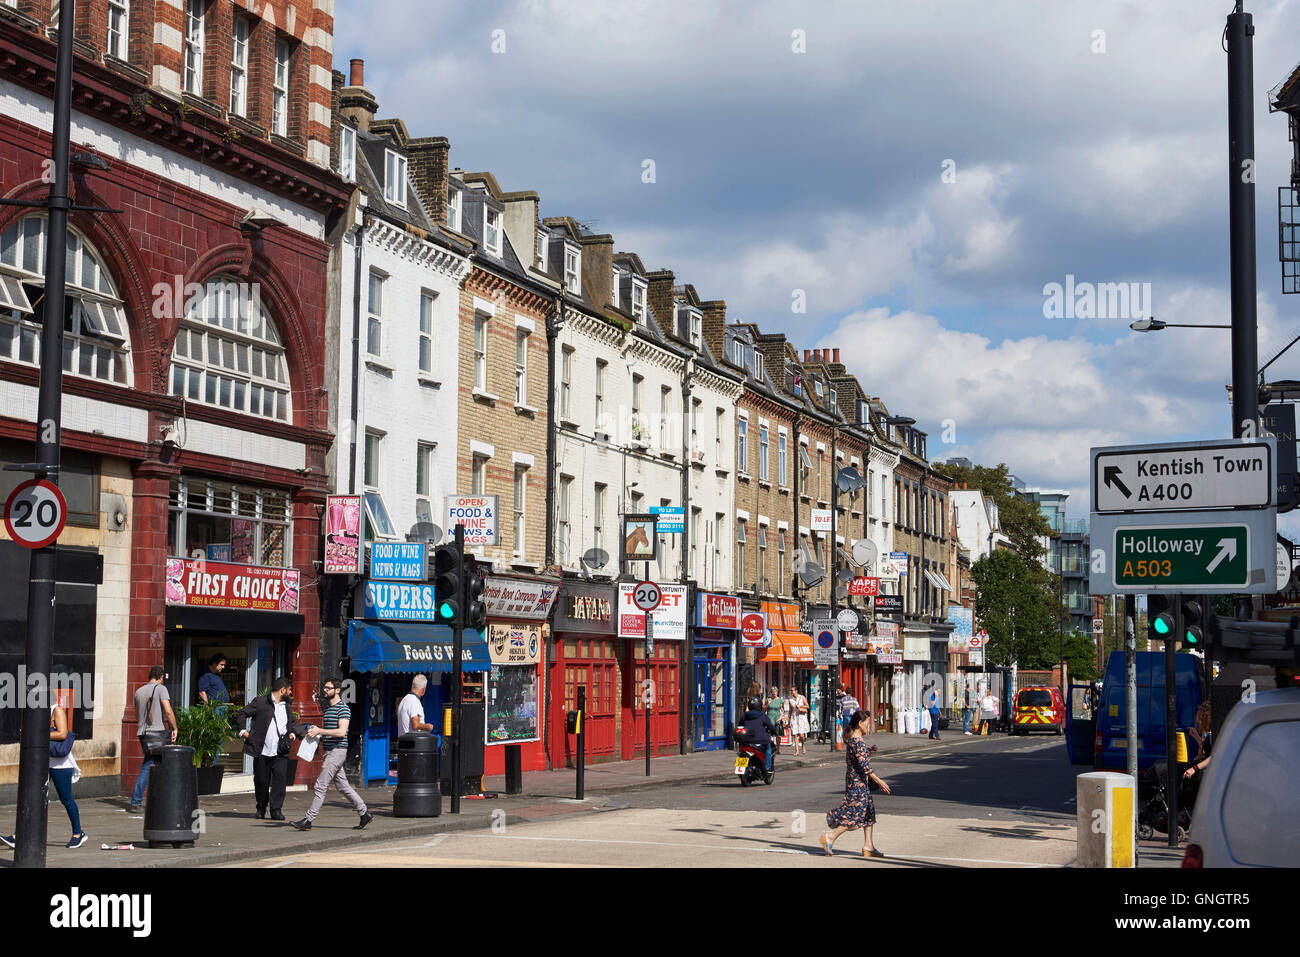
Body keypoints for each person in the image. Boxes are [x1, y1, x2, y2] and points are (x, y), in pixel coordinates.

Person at [1, 700, 87, 851]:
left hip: (60, 764)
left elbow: (62, 734)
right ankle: (19, 836)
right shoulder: (33, 713)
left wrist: (36, 734)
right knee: (34, 799)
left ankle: (78, 833)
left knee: (66, 799)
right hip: (42, 762)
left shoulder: (57, 710)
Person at [292, 677, 372, 831]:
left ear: (337, 690)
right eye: (324, 687)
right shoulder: (328, 709)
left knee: (321, 785)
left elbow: (342, 732)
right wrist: (317, 733)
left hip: (337, 752)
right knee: (343, 786)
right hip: (330, 751)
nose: (325, 690)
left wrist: (320, 731)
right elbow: (330, 732)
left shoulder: (343, 708)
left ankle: (308, 820)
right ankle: (364, 813)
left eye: (328, 688)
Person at [234, 677, 308, 821]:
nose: (291, 692)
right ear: (282, 690)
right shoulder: (261, 702)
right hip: (262, 749)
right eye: (289, 689)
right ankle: (261, 808)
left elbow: (290, 722)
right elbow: (242, 713)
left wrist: (292, 734)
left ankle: (276, 810)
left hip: (280, 750)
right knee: (261, 781)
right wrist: (243, 732)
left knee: (279, 781)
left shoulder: (287, 704)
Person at [820, 709, 890, 857]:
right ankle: (830, 837)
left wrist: (868, 750)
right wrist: (880, 781)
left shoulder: (856, 741)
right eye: (866, 724)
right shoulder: (857, 742)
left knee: (868, 814)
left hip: (860, 784)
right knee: (853, 814)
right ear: (859, 724)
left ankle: (868, 846)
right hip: (856, 784)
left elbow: (859, 758)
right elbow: (865, 767)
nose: (868, 727)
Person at [130, 665, 177, 812]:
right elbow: (168, 711)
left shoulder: (138, 691)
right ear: (161, 677)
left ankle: (156, 798)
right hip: (157, 732)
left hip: (142, 732)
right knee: (151, 764)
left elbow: (137, 715)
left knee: (154, 763)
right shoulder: (160, 689)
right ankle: (137, 801)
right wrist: (174, 728)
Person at [197, 654, 231, 766]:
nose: (223, 667)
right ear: (214, 663)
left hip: (222, 709)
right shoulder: (206, 674)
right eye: (221, 664)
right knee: (215, 740)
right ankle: (211, 765)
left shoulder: (216, 675)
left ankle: (213, 764)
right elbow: (202, 692)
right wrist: (209, 709)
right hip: (215, 709)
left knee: (219, 739)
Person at [741, 697, 778, 773]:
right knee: (768, 747)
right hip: (760, 740)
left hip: (746, 741)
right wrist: (774, 732)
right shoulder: (763, 716)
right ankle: (767, 768)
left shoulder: (745, 715)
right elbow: (771, 727)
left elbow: (740, 725)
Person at [788, 686, 810, 756]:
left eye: (793, 690)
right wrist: (789, 718)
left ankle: (803, 744)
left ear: (796, 691)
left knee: (801, 735)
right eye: (791, 691)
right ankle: (797, 751)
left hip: (801, 717)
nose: (792, 692)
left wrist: (800, 707)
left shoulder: (802, 697)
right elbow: (790, 710)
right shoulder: (790, 700)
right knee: (795, 734)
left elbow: (807, 706)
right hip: (794, 718)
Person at [766, 687, 785, 754]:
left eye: (775, 692)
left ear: (777, 692)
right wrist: (768, 704)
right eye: (773, 692)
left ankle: (778, 749)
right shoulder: (768, 699)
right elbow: (764, 709)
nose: (774, 693)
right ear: (771, 692)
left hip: (777, 718)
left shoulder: (780, 700)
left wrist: (780, 717)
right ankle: (770, 748)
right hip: (769, 717)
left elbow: (782, 710)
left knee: (778, 734)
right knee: (769, 734)